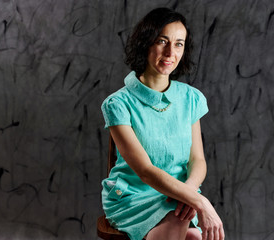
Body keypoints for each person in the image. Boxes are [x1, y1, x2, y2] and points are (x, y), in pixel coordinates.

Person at [101, 7, 224, 240]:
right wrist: (199, 201)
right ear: (146, 43)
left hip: (180, 193)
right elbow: (145, 172)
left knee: (194, 237)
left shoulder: (190, 98)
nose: (170, 52)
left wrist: (188, 193)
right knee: (182, 221)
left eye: (179, 44)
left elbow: (197, 160)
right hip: (133, 196)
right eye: (162, 41)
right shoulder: (117, 103)